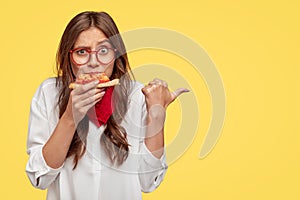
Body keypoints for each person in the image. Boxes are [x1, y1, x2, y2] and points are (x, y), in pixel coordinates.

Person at [26, 11, 188, 200]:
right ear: (68, 56)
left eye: (103, 51)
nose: (93, 62)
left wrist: (157, 115)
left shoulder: (138, 96)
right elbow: (39, 177)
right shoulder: (48, 93)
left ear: (116, 53)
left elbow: (149, 182)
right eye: (82, 52)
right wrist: (70, 117)